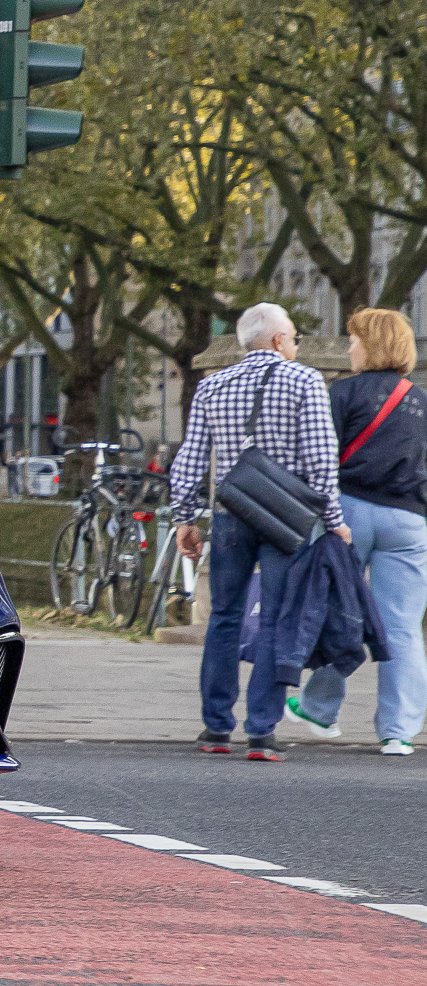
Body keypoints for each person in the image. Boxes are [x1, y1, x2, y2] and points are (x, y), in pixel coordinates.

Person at [167, 303, 349, 760]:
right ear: (276, 341)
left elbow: (190, 459)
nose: (295, 345)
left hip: (231, 513)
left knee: (224, 618)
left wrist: (185, 518)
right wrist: (334, 520)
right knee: (275, 618)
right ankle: (262, 732)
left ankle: (215, 728)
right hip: (285, 519)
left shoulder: (212, 384)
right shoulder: (305, 380)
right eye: (292, 337)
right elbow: (320, 459)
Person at [287, 307, 426, 755]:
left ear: (372, 344)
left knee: (337, 614)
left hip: (347, 512)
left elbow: (321, 461)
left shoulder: (341, 393)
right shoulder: (422, 401)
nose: (349, 347)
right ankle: (399, 731)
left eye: (354, 340)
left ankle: (320, 709)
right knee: (402, 627)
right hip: (408, 521)